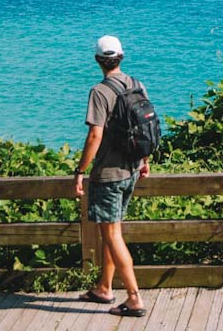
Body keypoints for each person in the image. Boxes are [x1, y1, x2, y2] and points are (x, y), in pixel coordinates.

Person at [74, 34, 151, 318]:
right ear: (121, 57)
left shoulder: (99, 91)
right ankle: (104, 288)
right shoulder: (137, 84)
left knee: (113, 233)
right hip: (132, 169)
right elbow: (143, 125)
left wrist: (80, 172)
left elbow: (95, 134)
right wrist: (144, 159)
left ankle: (134, 298)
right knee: (111, 228)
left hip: (108, 174)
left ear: (97, 60)